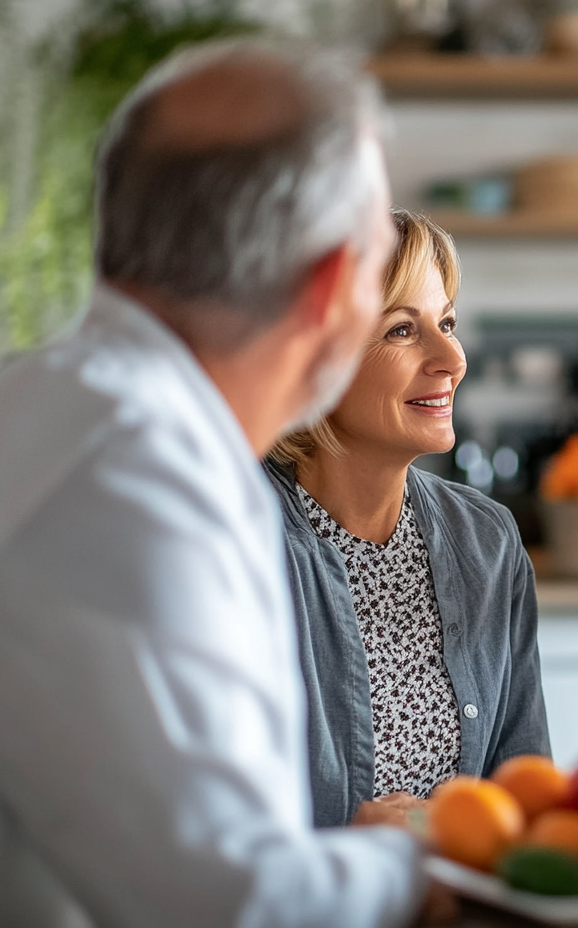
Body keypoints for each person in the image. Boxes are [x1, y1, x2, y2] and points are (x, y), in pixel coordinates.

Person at [0, 38, 441, 928]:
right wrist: (429, 861)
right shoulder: (139, 478)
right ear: (328, 293)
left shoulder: (44, 401)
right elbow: (233, 903)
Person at [265, 208, 550, 829]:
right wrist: (348, 846)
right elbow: (196, 827)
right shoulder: (238, 538)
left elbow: (527, 802)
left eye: (447, 322)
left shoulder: (487, 540)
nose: (452, 357)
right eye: (401, 330)